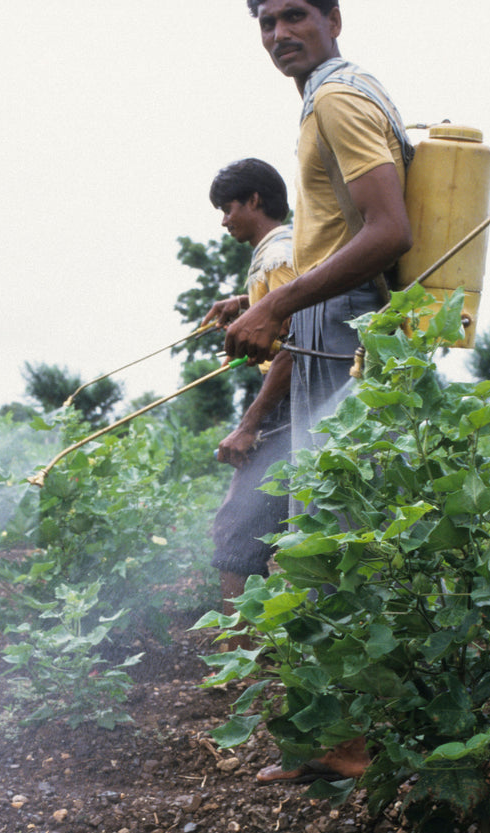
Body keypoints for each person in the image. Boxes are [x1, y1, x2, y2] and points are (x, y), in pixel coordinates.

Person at [224, 0, 413, 784]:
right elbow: (337, 234)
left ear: (334, 14)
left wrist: (279, 303)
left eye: (294, 14)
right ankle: (336, 737)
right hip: (327, 321)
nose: (278, 36)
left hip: (342, 332)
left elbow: (388, 229)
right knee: (318, 533)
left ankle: (353, 747)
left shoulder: (337, 96)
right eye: (265, 22)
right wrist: (258, 301)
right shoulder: (326, 97)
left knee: (331, 533)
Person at [201, 160, 296, 649]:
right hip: (295, 406)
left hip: (290, 407)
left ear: (255, 201)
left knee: (237, 529)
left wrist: (249, 424)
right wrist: (244, 301)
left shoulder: (278, 255)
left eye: (228, 207)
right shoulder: (279, 252)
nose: (224, 221)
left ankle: (239, 659)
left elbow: (296, 349)